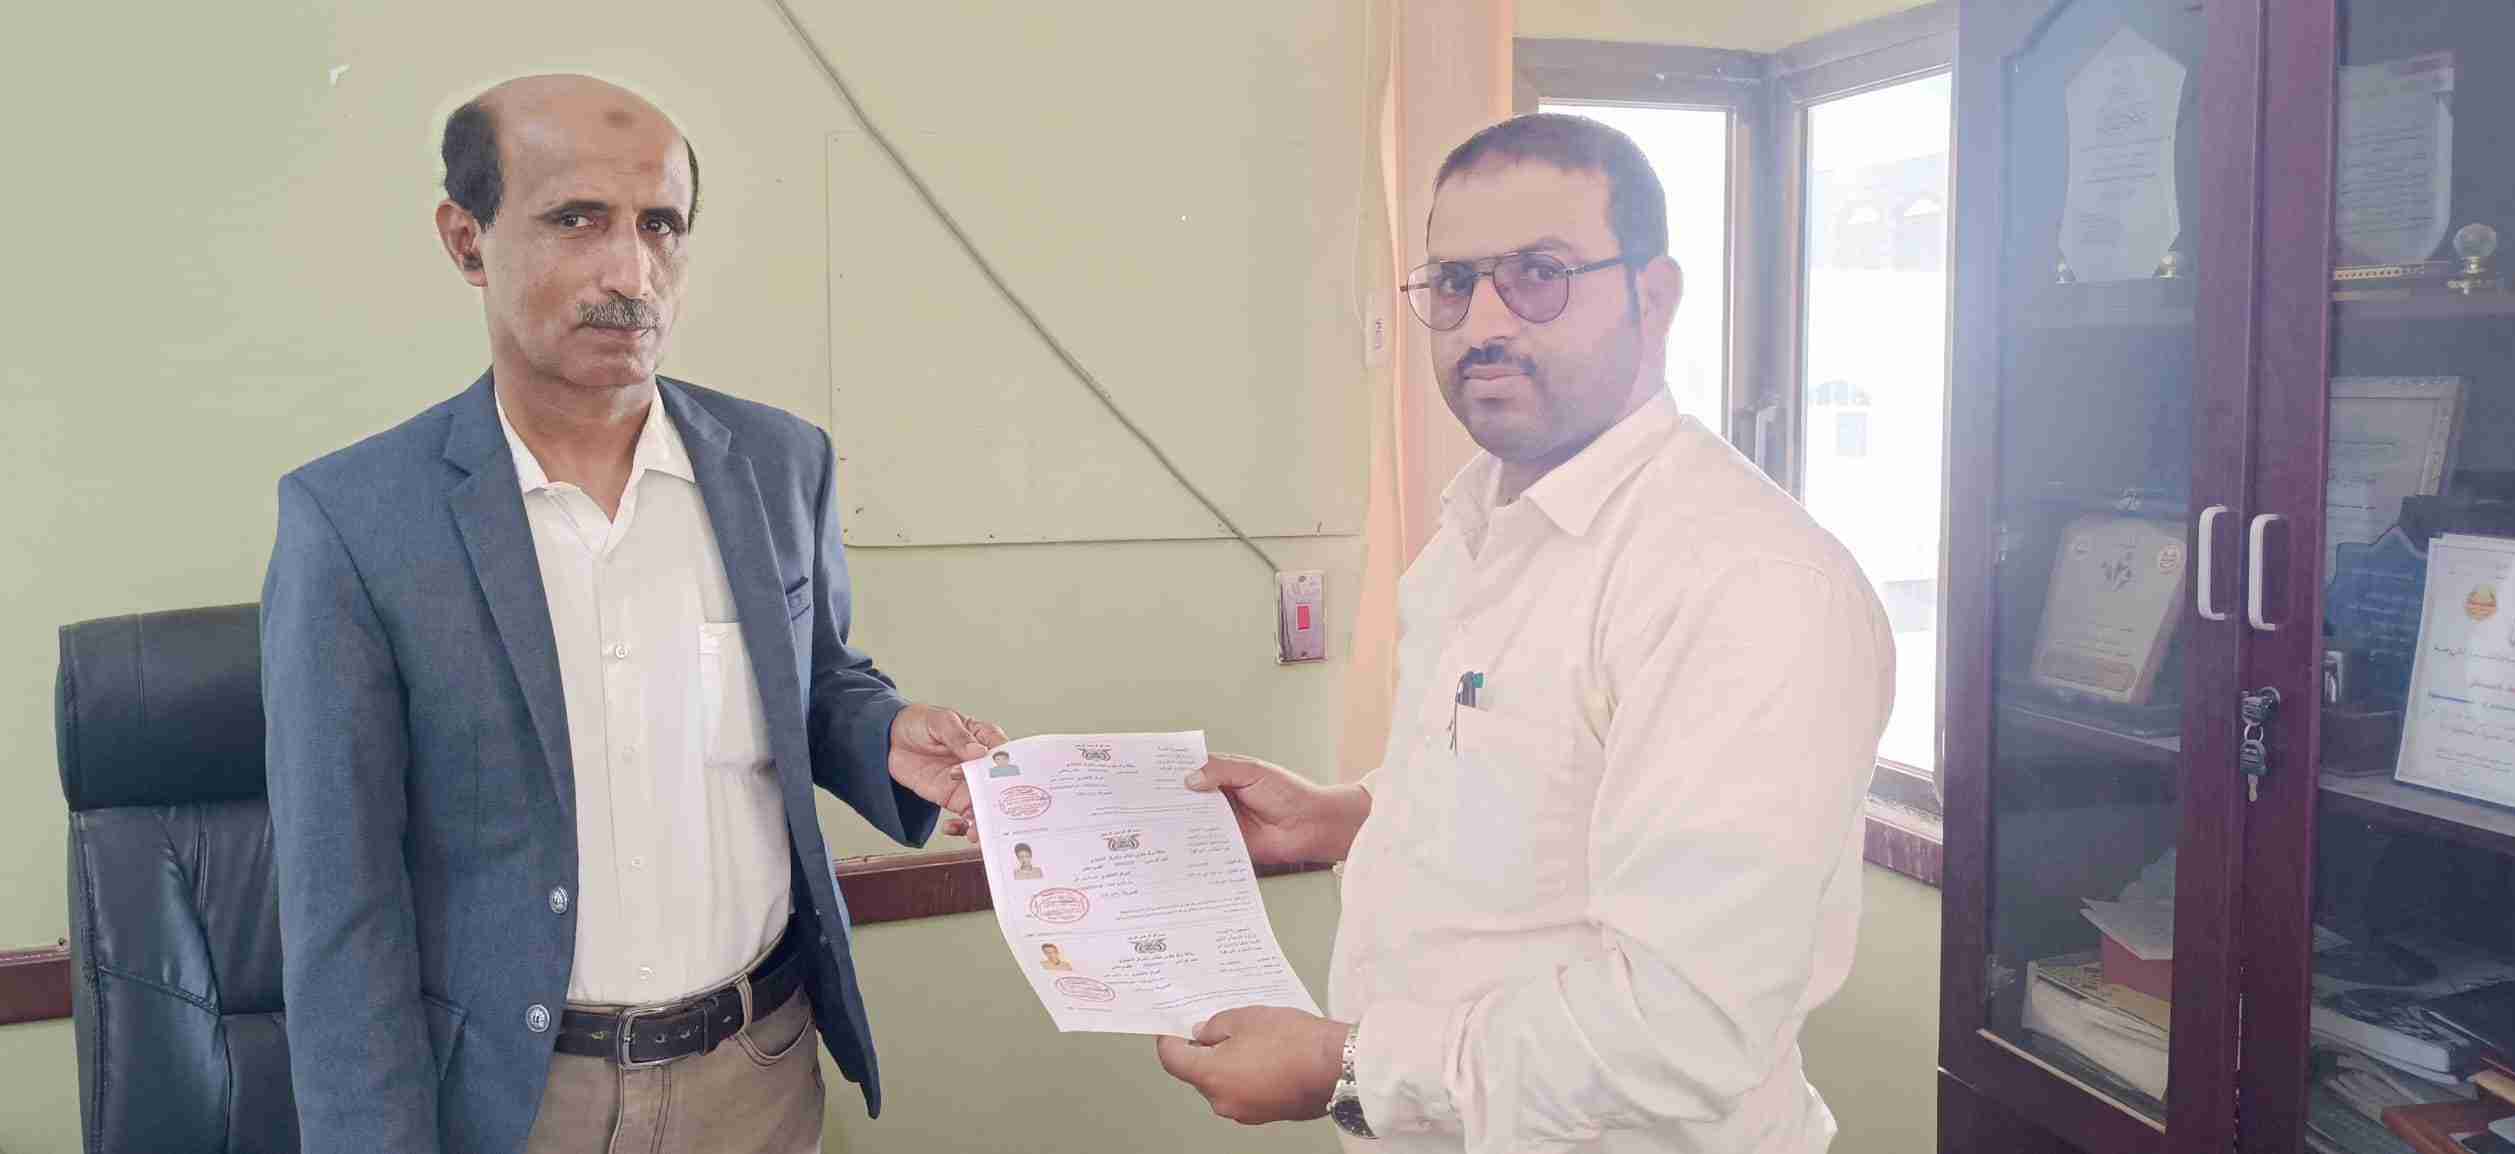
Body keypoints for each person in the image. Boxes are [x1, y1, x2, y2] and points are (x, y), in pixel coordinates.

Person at [262, 74, 1001, 1154]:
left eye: (661, 225)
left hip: (759, 1070)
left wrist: (886, 733)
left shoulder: (779, 464)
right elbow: (339, 899)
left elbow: (812, 680)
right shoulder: (357, 519)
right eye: (576, 220)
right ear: (466, 241)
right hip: (515, 1101)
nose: (630, 272)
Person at [1155, 113, 1894, 1153]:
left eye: (1539, 274)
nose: (1483, 322)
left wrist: (1346, 1066)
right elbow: (1525, 792)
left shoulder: (1747, 584)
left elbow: (1681, 1029)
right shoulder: (1478, 524)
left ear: (1654, 297)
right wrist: (1341, 816)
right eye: (1454, 283)